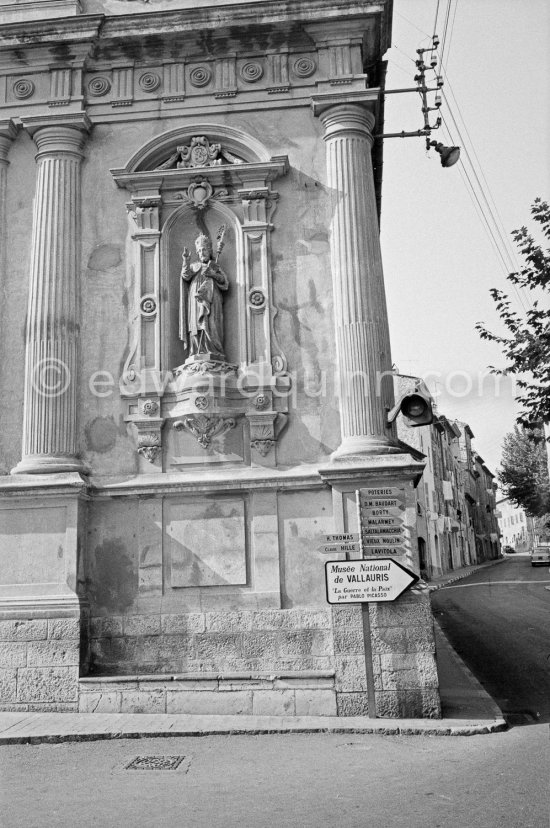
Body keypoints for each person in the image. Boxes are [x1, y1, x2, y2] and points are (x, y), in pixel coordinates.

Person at [179, 232, 229, 358]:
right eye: (200, 251)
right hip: (196, 298)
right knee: (196, 324)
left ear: (210, 250)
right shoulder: (194, 266)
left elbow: (224, 281)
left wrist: (212, 274)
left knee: (212, 324)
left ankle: (213, 350)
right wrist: (185, 261)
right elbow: (186, 275)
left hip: (212, 298)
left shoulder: (214, 266)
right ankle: (197, 351)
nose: (202, 253)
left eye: (205, 250)